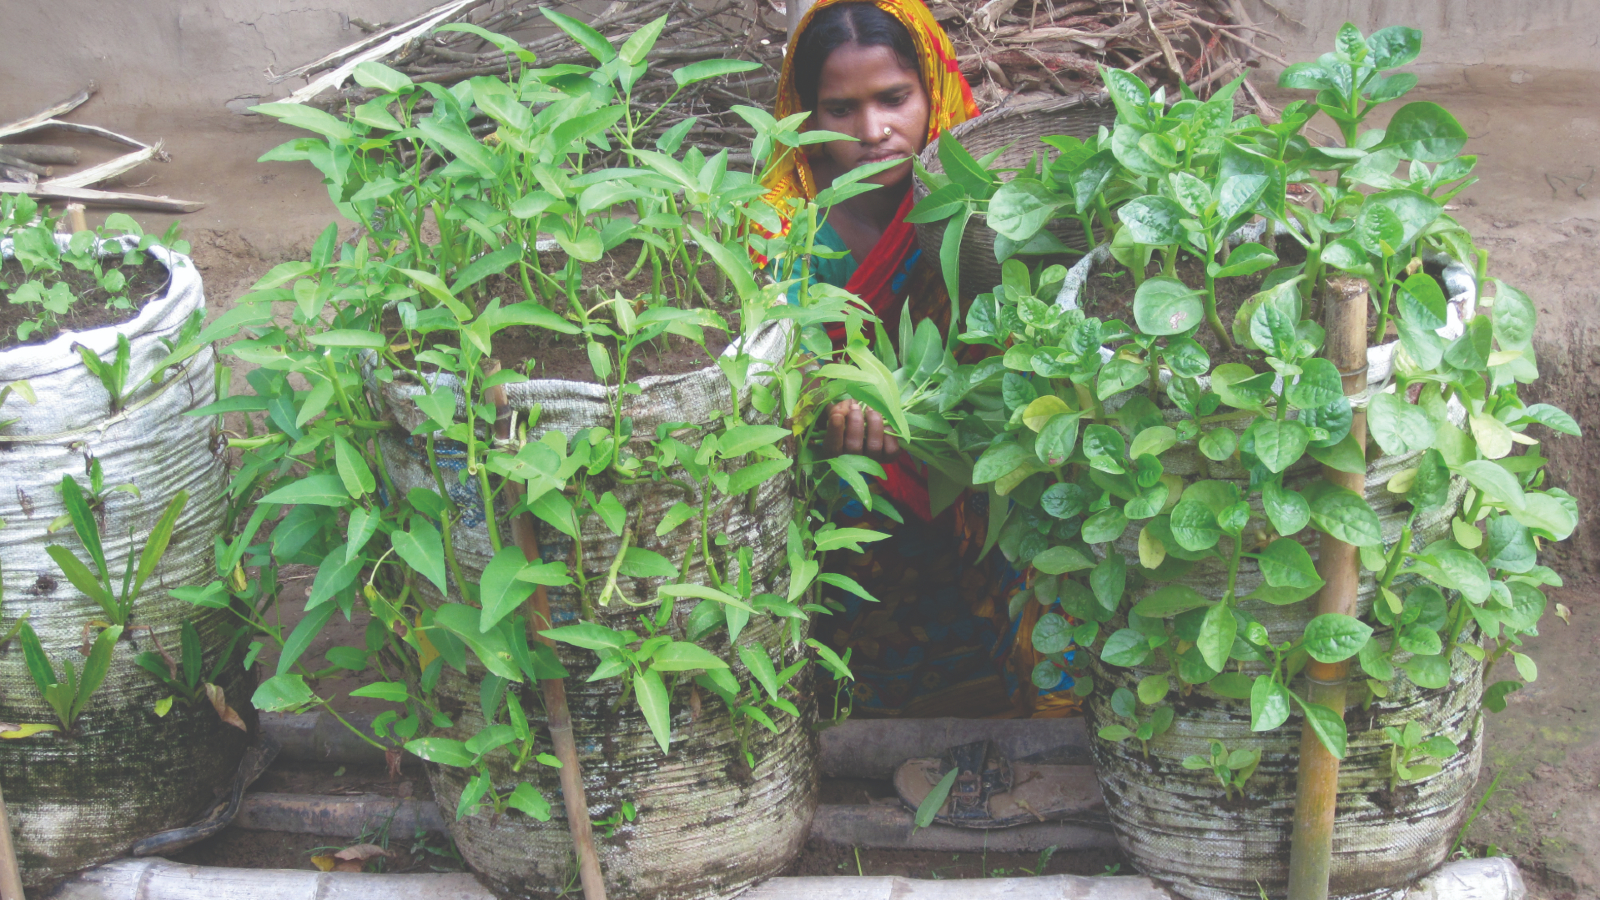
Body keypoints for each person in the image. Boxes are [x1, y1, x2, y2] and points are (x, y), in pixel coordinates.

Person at [762, 0, 1083, 719]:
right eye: (838, 109)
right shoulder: (777, 230)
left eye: (893, 99)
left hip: (978, 468)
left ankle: (1048, 722)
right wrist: (819, 404)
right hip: (851, 488)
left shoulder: (992, 194)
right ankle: (849, 718)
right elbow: (759, 363)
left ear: (931, 87)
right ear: (802, 113)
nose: (873, 132)